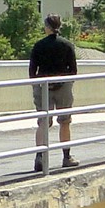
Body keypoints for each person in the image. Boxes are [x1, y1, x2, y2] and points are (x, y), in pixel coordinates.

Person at [28, 13, 79, 171]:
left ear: (47, 27)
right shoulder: (67, 45)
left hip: (43, 86)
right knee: (64, 122)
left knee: (43, 122)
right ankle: (66, 157)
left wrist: (37, 84)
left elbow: (32, 70)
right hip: (63, 86)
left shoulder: (39, 45)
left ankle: (40, 157)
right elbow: (73, 70)